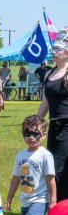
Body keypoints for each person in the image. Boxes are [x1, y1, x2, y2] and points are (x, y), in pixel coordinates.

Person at [6, 115, 56, 215]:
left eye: (35, 134)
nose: (31, 137)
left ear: (43, 135)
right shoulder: (20, 155)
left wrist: (53, 202)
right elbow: (16, 178)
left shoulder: (45, 155)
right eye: (27, 133)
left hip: (40, 200)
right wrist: (9, 196)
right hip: (25, 200)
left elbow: (51, 180)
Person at [37, 27, 68, 202]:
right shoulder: (49, 73)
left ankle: (60, 206)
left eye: (58, 49)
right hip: (54, 127)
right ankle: (56, 205)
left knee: (61, 167)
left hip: (67, 125)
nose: (54, 52)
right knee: (51, 166)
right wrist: (36, 123)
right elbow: (45, 103)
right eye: (53, 48)